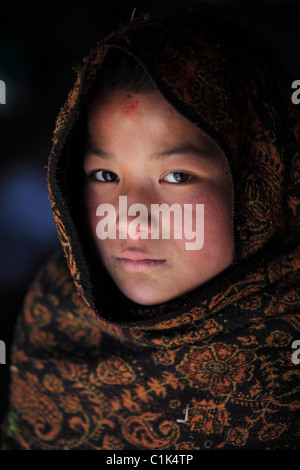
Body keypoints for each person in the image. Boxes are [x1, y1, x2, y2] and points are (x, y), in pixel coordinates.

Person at [1, 11, 299, 450]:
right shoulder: (55, 314)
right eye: (104, 175)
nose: (129, 216)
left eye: (177, 175)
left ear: (260, 178)